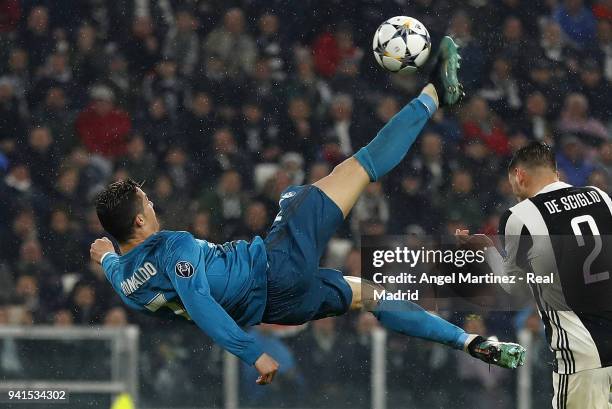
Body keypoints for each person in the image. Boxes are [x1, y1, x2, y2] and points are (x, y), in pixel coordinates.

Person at [90, 37, 525, 385]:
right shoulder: (173, 247)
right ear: (141, 222)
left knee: (368, 295)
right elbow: (200, 303)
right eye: (147, 203)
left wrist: (105, 252)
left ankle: (469, 341)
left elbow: (111, 258)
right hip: (274, 268)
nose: (153, 202)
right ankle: (436, 92)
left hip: (279, 307)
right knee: (358, 167)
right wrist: (252, 354)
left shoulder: (125, 280)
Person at [458, 142, 612, 409]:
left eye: (513, 185)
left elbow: (513, 289)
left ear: (520, 175)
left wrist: (487, 249)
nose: (514, 193)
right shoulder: (600, 197)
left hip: (583, 354)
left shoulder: (521, 216)